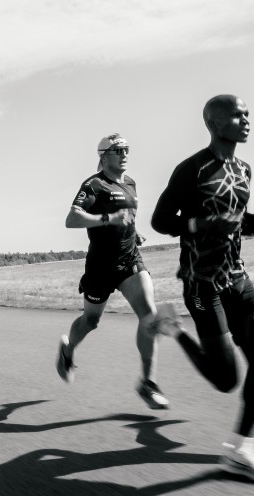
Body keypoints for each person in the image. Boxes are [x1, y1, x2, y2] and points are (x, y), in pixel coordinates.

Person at [150, 95, 254, 484]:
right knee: (226, 380)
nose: (246, 119)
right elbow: (160, 220)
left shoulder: (245, 168)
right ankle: (173, 328)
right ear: (214, 124)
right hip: (201, 283)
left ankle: (240, 450)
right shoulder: (192, 169)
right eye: (237, 114)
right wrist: (200, 225)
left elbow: (239, 222)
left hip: (237, 277)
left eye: (247, 113)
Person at [56, 133, 169, 410]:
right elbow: (71, 219)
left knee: (150, 316)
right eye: (118, 150)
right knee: (90, 322)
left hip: (129, 260)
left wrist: (134, 230)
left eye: (126, 149)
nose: (124, 153)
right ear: (104, 155)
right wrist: (107, 219)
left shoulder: (130, 183)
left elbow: (126, 216)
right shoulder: (94, 184)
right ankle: (68, 350)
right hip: (100, 266)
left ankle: (148, 383)